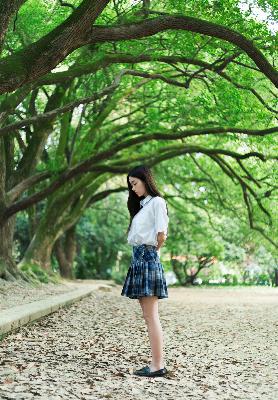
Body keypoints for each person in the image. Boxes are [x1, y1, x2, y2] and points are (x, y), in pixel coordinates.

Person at [121, 164, 169, 378]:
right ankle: (156, 363)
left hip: (147, 259)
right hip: (139, 261)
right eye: (130, 185)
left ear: (145, 180)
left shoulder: (157, 202)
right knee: (148, 316)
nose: (132, 188)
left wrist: (151, 255)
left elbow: (161, 235)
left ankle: (158, 365)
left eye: (134, 183)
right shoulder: (142, 206)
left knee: (151, 316)